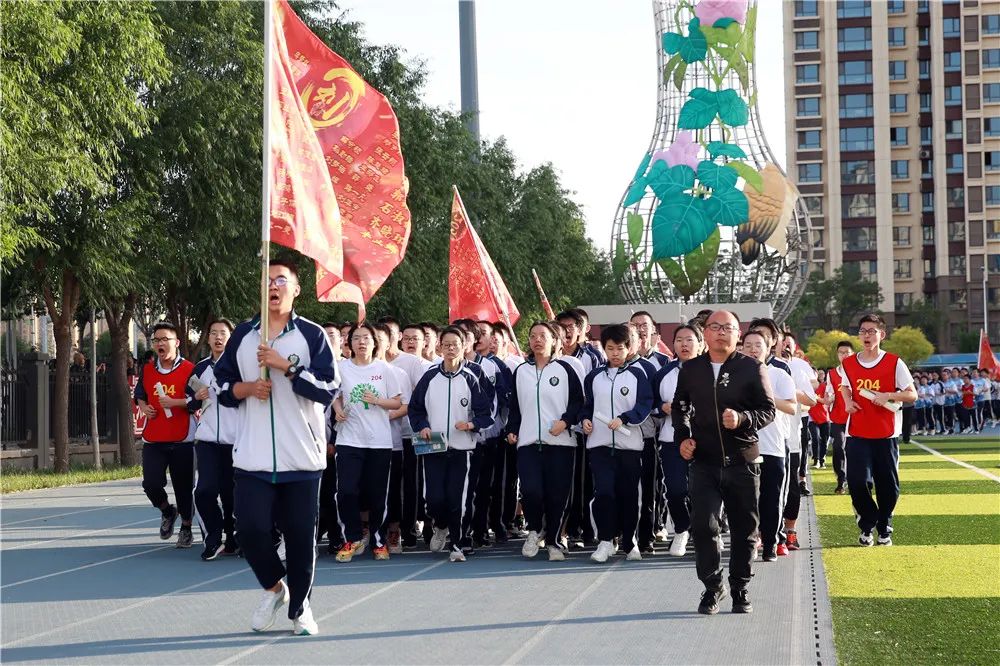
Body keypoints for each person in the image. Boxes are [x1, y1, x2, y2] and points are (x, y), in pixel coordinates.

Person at [214, 258, 338, 636]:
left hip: (301, 457)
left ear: (296, 290)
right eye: (268, 279)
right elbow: (220, 386)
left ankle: (301, 609)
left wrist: (287, 367)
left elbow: (328, 389)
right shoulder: (243, 335)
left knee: (301, 538)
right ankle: (275, 587)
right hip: (252, 457)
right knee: (249, 531)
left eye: (281, 280)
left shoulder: (313, 335)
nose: (274, 285)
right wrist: (247, 389)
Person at [672, 310, 775, 615]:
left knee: (745, 530)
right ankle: (712, 587)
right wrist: (683, 437)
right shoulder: (691, 369)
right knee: (704, 526)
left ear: (737, 333)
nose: (720, 333)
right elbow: (680, 407)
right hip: (704, 461)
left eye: (727, 328)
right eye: (714, 327)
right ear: (705, 332)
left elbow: (768, 410)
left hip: (743, 460)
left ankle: (740, 587)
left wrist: (743, 419)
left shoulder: (752, 367)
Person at [408, 326, 494, 562]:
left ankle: (457, 544)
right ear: (439, 346)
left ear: (464, 346)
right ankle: (441, 525)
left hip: (462, 449)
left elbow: (486, 414)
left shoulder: (472, 377)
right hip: (433, 447)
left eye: (454, 344)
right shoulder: (429, 376)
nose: (450, 348)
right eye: (445, 344)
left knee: (459, 500)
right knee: (434, 499)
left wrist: (471, 425)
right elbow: (415, 409)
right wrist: (422, 426)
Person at [836, 314, 917, 547]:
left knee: (888, 486)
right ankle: (867, 523)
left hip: (886, 434)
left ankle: (884, 527)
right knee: (858, 481)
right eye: (862, 331)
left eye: (871, 331)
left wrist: (888, 395)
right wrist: (848, 401)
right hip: (857, 434)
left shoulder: (894, 362)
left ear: (882, 334)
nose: (866, 335)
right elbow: (844, 385)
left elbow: (911, 394)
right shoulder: (849, 364)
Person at [506, 322, 584, 561]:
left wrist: (566, 421)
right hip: (529, 442)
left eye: (543, 336)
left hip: (560, 443)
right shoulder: (521, 371)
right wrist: (512, 429)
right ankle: (534, 529)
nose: (537, 340)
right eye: (532, 336)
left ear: (554, 340)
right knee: (531, 490)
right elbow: (515, 407)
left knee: (557, 495)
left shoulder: (566, 369)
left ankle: (553, 541)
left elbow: (578, 402)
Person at [580, 324, 654, 563]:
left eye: (619, 348)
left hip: (629, 445)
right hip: (599, 445)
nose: (614, 353)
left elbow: (644, 405)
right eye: (609, 348)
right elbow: (588, 406)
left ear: (628, 348)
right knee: (604, 493)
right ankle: (605, 541)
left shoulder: (638, 374)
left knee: (629, 495)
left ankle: (629, 542)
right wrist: (585, 421)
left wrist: (625, 419)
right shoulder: (594, 377)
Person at [332, 322, 403, 563]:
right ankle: (351, 538)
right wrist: (338, 409)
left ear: (375, 343)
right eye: (356, 338)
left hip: (379, 442)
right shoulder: (341, 368)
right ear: (348, 343)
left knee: (377, 495)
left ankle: (379, 541)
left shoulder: (385, 370)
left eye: (366, 338)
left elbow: (396, 403)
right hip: (349, 440)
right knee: (347, 491)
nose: (361, 342)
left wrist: (378, 400)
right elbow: (334, 395)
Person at [134, 322, 197, 549]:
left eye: (165, 339)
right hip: (155, 437)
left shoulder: (190, 369)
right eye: (157, 340)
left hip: (183, 438)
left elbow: (199, 397)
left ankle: (187, 528)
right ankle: (167, 511)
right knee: (150, 483)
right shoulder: (148, 370)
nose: (160, 344)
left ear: (176, 343)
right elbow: (139, 394)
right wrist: (143, 406)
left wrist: (176, 402)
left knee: (183, 486)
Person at [740, 330, 796, 562]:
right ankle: (750, 542)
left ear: (768, 348)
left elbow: (792, 407)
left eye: (758, 345)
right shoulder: (734, 375)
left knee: (771, 499)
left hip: (772, 446)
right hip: (743, 447)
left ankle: (771, 542)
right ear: (741, 348)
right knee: (745, 500)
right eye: (748, 345)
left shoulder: (779, 375)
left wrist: (767, 396)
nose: (753, 349)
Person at [190, 318, 240, 560]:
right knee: (204, 491)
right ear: (207, 338)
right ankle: (213, 538)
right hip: (207, 440)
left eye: (223, 333)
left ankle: (234, 539)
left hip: (236, 440)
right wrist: (197, 397)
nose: (218, 338)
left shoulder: (240, 367)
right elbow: (190, 402)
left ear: (231, 337)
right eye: (214, 333)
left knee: (232, 495)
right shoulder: (200, 368)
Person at [653, 324, 704, 557]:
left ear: (701, 343)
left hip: (706, 441)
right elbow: (650, 403)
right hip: (671, 440)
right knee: (675, 490)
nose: (684, 344)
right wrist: (661, 407)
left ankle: (704, 532)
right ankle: (682, 529)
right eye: (680, 340)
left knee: (703, 490)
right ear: (672, 344)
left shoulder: (712, 371)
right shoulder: (664, 373)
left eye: (690, 340)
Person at [317, 322, 344, 554]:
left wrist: (333, 440)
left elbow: (341, 409)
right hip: (308, 442)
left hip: (335, 444)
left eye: (332, 335)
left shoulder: (346, 369)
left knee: (331, 493)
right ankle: (315, 533)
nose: (328, 338)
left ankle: (337, 536)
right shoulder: (312, 366)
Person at [826, 341, 855, 494]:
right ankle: (841, 479)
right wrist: (829, 398)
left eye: (847, 352)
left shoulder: (858, 371)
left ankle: (854, 479)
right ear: (837, 355)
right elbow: (829, 392)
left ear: (853, 354)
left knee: (854, 450)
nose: (844, 355)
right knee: (839, 447)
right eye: (841, 352)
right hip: (838, 418)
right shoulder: (832, 374)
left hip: (855, 417)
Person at [809, 369, 831, 469]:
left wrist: (817, 398)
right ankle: (816, 460)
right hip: (812, 416)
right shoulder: (808, 387)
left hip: (824, 416)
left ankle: (822, 460)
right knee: (815, 438)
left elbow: (827, 401)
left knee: (824, 440)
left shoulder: (825, 386)